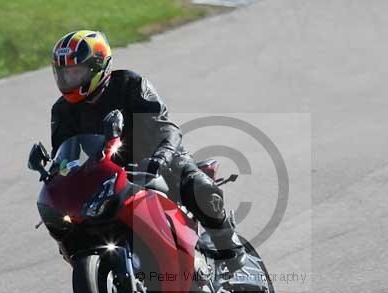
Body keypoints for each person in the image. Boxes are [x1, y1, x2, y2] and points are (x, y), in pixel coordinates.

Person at [49, 29, 245, 269]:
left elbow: (165, 127)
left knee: (198, 186)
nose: (68, 80)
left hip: (157, 159)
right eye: (64, 73)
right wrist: (56, 176)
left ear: (97, 67)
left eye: (75, 72)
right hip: (108, 175)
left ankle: (228, 243)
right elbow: (65, 157)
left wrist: (161, 157)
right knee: (74, 224)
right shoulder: (62, 111)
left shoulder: (129, 84)